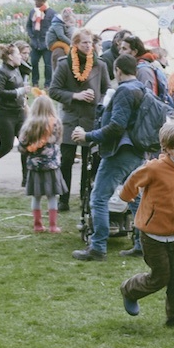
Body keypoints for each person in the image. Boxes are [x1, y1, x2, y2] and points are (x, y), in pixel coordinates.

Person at [119, 117, 174, 329]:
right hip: (152, 234)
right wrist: (127, 196)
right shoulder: (155, 168)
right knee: (160, 277)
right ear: (168, 148)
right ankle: (129, 290)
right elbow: (133, 179)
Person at [71, 54, 147, 261]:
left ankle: (98, 247)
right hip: (137, 151)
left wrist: (87, 136)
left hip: (120, 152)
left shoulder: (124, 91)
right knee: (134, 197)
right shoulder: (141, 88)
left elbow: (116, 126)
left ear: (117, 70)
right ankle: (142, 244)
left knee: (99, 198)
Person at [49, 28, 110, 213]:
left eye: (91, 42)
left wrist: (98, 101)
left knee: (88, 161)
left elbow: (107, 90)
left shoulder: (100, 64)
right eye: (84, 42)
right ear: (75, 44)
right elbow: (53, 91)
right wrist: (75, 95)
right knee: (66, 160)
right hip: (70, 118)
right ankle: (64, 198)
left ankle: (86, 196)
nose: (88, 46)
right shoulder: (64, 64)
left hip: (91, 118)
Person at [19, 95, 68, 234]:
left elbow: (22, 147)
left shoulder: (29, 124)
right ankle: (53, 226)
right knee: (52, 196)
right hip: (51, 166)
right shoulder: (56, 123)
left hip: (35, 167)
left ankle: (38, 225)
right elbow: (58, 140)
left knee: (36, 196)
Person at [0, 43, 29, 179]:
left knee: (26, 144)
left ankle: (26, 178)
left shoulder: (16, 68)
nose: (21, 56)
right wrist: (19, 92)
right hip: (5, 114)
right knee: (5, 147)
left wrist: (23, 93)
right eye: (18, 54)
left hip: (19, 112)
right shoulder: (1, 72)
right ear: (10, 57)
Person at [25, 0, 57, 88]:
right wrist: (31, 35)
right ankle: (35, 82)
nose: (36, 2)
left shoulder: (52, 13)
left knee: (48, 65)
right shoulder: (33, 12)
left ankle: (48, 84)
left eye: (38, 0)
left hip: (46, 44)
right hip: (35, 44)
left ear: (43, 1)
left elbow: (55, 28)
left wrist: (50, 39)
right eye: (35, 0)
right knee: (34, 63)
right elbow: (28, 25)